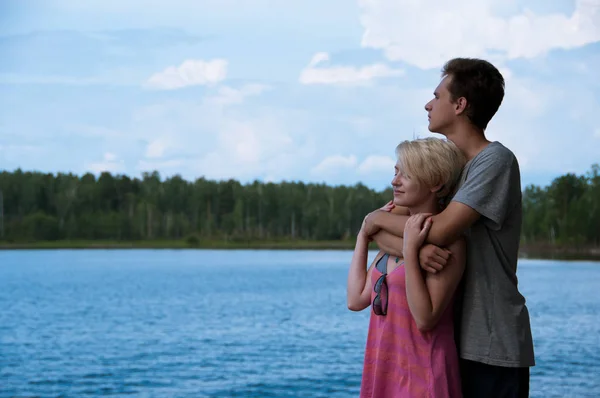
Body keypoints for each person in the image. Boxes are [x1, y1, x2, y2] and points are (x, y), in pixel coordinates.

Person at [364, 58, 535, 398]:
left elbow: (435, 230)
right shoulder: (444, 168)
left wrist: (372, 220)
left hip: (491, 343)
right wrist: (415, 247)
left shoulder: (494, 162)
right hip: (445, 343)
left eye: (437, 96)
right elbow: (387, 234)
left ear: (460, 105)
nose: (428, 104)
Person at [347, 137, 467, 397]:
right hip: (385, 369)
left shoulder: (450, 244)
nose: (395, 181)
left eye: (406, 174)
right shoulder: (393, 238)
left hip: (423, 375)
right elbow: (356, 299)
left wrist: (411, 253)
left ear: (436, 183)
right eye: (395, 171)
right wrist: (363, 236)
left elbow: (425, 319)